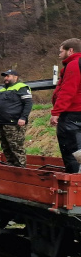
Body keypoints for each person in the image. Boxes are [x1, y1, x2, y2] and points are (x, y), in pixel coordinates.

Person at [50, 38, 81, 172]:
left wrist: (56, 112)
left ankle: (74, 182)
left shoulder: (74, 65)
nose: (59, 54)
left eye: (61, 51)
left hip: (72, 113)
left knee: (71, 150)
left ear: (70, 51)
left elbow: (68, 91)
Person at [0, 69, 32, 167]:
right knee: (5, 146)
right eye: (5, 76)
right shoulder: (1, 90)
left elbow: (28, 103)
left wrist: (23, 117)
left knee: (16, 146)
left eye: (8, 76)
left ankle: (21, 168)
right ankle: (10, 165)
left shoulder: (21, 87)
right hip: (2, 122)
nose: (5, 78)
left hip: (14, 123)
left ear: (15, 77)